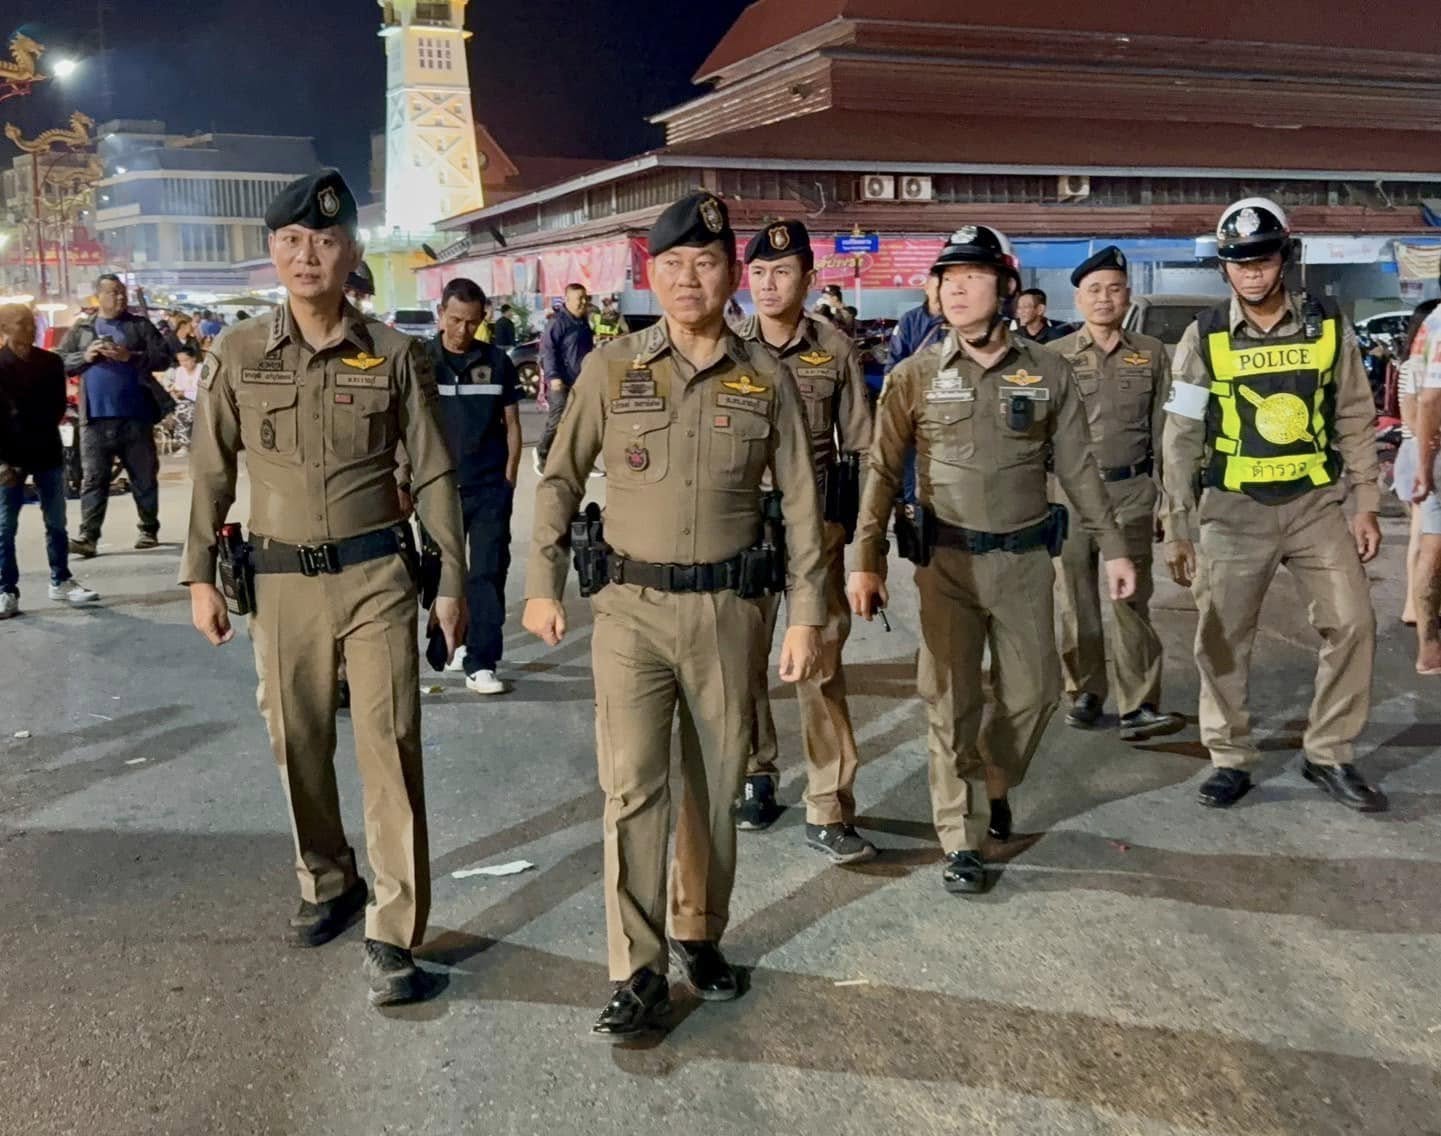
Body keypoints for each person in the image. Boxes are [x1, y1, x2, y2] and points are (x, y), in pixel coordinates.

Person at [521, 191, 825, 1040]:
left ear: (730, 275)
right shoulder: (611, 368)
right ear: (651, 275)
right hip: (630, 612)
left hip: (729, 611)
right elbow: (559, 476)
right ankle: (637, 968)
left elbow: (802, 503)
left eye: (706, 263)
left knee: (715, 788)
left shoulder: (765, 377)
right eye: (674, 265)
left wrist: (806, 614)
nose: (690, 278)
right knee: (632, 787)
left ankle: (699, 931)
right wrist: (542, 580)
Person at [180, 169, 469, 1007]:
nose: (308, 256)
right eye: (292, 241)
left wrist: (452, 580)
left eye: (326, 241)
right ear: (274, 251)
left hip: (377, 575)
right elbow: (210, 470)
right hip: (279, 584)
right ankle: (327, 878)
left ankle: (393, 930)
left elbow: (435, 473)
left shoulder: (396, 355)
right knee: (295, 739)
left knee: (389, 745)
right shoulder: (237, 354)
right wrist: (198, 575)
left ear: (352, 253)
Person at [848, 226, 1135, 895]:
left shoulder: (1048, 371)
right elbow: (881, 470)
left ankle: (992, 778)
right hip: (946, 565)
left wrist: (1115, 546)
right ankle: (962, 837)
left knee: (1035, 693)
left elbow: (1078, 468)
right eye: (947, 279)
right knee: (949, 701)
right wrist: (865, 557)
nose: (956, 290)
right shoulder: (915, 375)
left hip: (1024, 562)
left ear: (1004, 287)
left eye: (971, 277)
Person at [1162, 197, 1384, 812]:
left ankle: (1329, 752)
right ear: (1224, 268)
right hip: (1232, 513)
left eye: (1262, 259)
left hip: (1315, 508)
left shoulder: (1328, 324)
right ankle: (1230, 758)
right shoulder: (1204, 335)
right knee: (1222, 639)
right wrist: (1176, 524)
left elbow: (1355, 414)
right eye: (1239, 262)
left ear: (1283, 258)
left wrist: (1366, 502)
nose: (1252, 272)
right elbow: (1180, 434)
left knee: (1354, 623)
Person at [734, 219, 877, 861]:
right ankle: (756, 773)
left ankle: (829, 806)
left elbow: (864, 448)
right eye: (759, 273)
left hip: (814, 531)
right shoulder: (727, 346)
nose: (769, 284)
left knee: (818, 665)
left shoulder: (835, 350)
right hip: (741, 529)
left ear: (809, 279)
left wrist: (860, 539)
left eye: (783, 272)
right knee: (742, 661)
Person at [1050, 247, 1184, 740]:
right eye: (1094, 290)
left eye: (1114, 289)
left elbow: (1166, 433)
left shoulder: (1151, 353)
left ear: (1128, 295)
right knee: (1076, 602)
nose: (1104, 298)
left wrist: (1169, 502)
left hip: (1130, 492)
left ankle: (1139, 704)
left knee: (1131, 601)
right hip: (1069, 497)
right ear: (1078, 299)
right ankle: (1085, 690)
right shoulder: (1054, 356)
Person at [427, 277, 524, 695]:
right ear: (440, 315)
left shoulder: (497, 361)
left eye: (471, 322)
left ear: (483, 319)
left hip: (488, 487)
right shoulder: (420, 360)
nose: (462, 330)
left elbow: (512, 425)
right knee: (440, 574)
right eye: (454, 320)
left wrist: (509, 480)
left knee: (487, 572)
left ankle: (482, 661)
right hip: (437, 489)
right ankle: (451, 644)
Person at [58, 274, 173, 556]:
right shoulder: (83, 329)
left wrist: (129, 357)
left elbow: (163, 358)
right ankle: (88, 537)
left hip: (135, 416)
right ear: (99, 296)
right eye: (113, 292)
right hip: (94, 418)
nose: (120, 297)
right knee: (93, 479)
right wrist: (86, 356)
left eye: (122, 292)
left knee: (143, 476)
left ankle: (148, 528)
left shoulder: (139, 326)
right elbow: (59, 360)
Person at [0, 304, 99, 618]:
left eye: (31, 322)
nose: (29, 328)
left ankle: (60, 579)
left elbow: (56, 407)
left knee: (56, 522)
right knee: (5, 527)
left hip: (46, 450)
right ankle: (6, 589)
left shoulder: (50, 362)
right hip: (9, 457)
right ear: (4, 328)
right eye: (21, 323)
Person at [1403, 293, 1441, 672]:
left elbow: (1414, 397)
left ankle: (1429, 648)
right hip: (1436, 449)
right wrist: (1425, 466)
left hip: (1430, 447)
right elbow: (1429, 399)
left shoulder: (1429, 325)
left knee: (1431, 542)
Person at [886, 275, 946, 504]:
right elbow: (894, 363)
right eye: (936, 286)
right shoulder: (910, 321)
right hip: (916, 402)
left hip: (950, 402)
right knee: (912, 461)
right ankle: (914, 508)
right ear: (926, 288)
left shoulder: (959, 322)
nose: (940, 292)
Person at [534, 282, 594, 474]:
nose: (583, 302)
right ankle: (542, 453)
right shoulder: (558, 322)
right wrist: (553, 377)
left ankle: (582, 461)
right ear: (567, 300)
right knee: (557, 419)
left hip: (581, 380)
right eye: (579, 299)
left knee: (582, 421)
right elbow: (548, 350)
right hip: (560, 381)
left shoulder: (583, 322)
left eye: (585, 298)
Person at [165, 346, 204, 450]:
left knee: (182, 411)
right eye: (180, 361)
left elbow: (202, 391)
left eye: (186, 360)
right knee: (179, 408)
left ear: (193, 358)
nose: (184, 364)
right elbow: (178, 388)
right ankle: (184, 443)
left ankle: (185, 443)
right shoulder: (180, 371)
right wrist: (175, 392)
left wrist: (185, 393)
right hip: (183, 402)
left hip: (200, 402)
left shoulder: (202, 369)